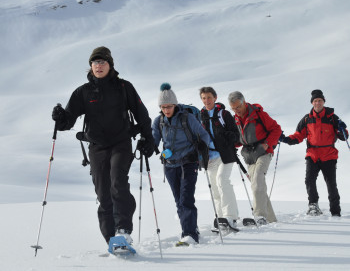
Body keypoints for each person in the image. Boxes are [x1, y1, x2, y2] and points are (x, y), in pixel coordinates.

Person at [51, 46, 154, 245]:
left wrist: (148, 139)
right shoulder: (83, 92)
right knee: (102, 192)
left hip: (121, 143)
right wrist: (59, 117)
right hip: (97, 146)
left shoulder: (124, 87)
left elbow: (142, 114)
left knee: (117, 182)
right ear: (91, 66)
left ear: (110, 65)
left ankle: (123, 229)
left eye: (102, 62)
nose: (99, 66)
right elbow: (67, 122)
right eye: (95, 62)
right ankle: (112, 239)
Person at [152, 83, 210, 245]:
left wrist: (200, 146)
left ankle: (190, 234)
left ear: (175, 104)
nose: (166, 110)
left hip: (188, 163)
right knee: (179, 201)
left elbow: (204, 136)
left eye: (169, 106)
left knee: (186, 199)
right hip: (170, 166)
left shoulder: (187, 118)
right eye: (163, 107)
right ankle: (190, 229)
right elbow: (154, 141)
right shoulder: (159, 121)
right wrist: (146, 145)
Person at [280, 89, 348, 217]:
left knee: (331, 183)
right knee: (309, 180)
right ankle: (313, 206)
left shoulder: (332, 117)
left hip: (329, 154)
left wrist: (342, 129)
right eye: (315, 101)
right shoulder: (307, 119)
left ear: (324, 102)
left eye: (320, 100)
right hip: (312, 154)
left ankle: (335, 211)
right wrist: (285, 139)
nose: (318, 103)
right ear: (312, 103)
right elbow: (298, 135)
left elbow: (343, 137)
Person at [228, 91, 281, 225]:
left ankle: (259, 216)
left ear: (244, 103)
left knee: (257, 179)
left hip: (263, 152)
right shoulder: (236, 119)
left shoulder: (259, 114)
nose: (236, 111)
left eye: (238, 107)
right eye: (233, 108)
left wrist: (266, 144)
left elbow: (276, 129)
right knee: (257, 186)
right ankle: (271, 220)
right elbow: (241, 139)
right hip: (249, 156)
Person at [199, 86, 240, 231]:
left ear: (215, 98)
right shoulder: (200, 116)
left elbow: (236, 134)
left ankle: (231, 217)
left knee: (222, 180)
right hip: (210, 157)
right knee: (215, 189)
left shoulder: (224, 114)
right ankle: (221, 219)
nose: (206, 100)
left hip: (225, 155)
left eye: (209, 97)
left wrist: (228, 136)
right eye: (204, 98)